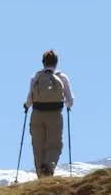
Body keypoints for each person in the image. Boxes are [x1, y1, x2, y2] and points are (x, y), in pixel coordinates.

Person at [23, 49, 74, 178]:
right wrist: (68, 105)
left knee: (38, 146)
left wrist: (26, 106)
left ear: (43, 62)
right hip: (55, 115)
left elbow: (30, 98)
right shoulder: (62, 77)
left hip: (37, 115)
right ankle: (49, 168)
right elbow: (70, 100)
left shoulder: (36, 77)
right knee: (54, 145)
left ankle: (41, 176)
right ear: (56, 62)